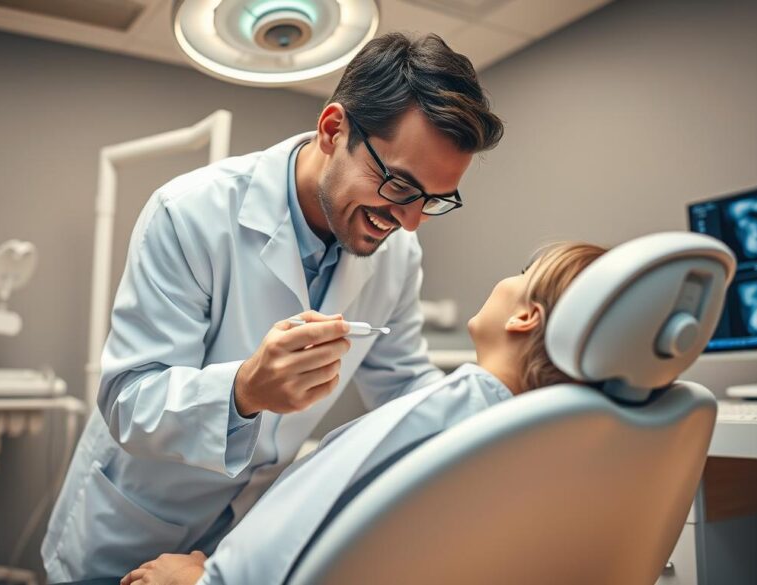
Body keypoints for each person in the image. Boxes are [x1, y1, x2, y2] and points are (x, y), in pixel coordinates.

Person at [42, 32, 504, 580]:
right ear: (334, 129)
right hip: (130, 528)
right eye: (400, 185)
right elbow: (127, 398)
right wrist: (244, 391)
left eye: (434, 200)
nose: (408, 222)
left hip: (242, 542)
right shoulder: (191, 212)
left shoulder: (398, 252)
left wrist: (497, 412)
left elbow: (401, 384)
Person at [119, 242, 608, 585]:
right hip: (139, 508)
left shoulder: (451, 415)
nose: (410, 220)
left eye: (524, 274)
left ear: (526, 317)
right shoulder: (531, 444)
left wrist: (201, 579)